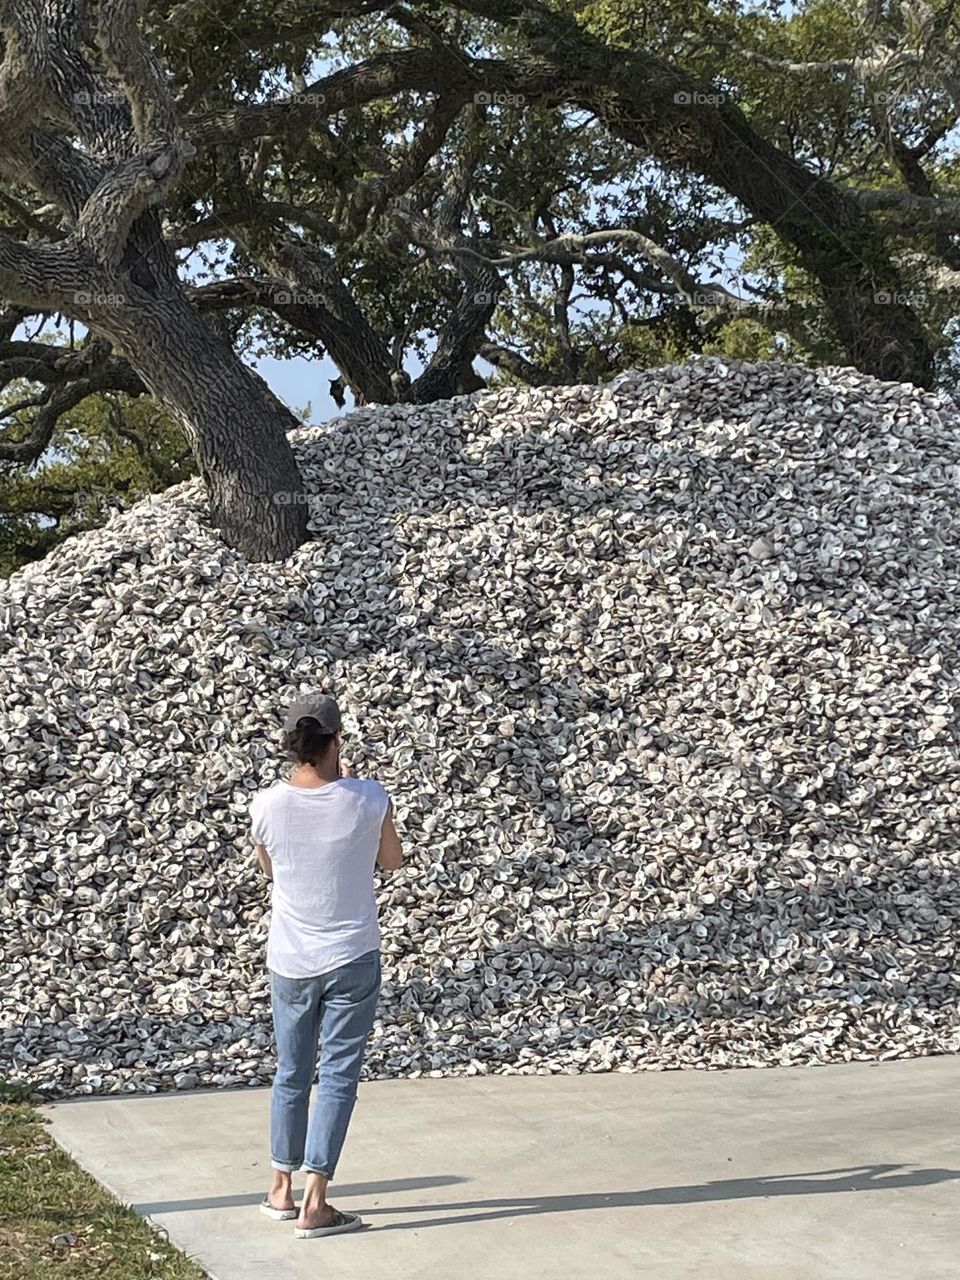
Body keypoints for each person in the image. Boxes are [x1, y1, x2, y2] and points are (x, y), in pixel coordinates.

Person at [249, 692, 403, 1239]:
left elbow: (271, 869)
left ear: (292, 745)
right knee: (337, 1075)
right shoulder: (369, 798)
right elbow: (392, 861)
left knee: (291, 1072)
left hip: (291, 959)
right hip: (353, 954)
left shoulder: (265, 805)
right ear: (337, 741)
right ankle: (317, 1203)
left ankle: (279, 1191)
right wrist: (356, 792)